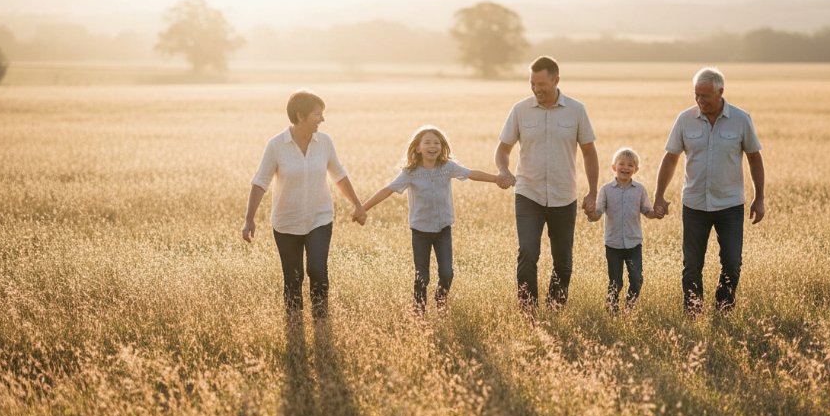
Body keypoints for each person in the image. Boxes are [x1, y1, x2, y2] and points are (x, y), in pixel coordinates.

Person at [241, 89, 367, 319]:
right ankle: (294, 323)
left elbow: (338, 175)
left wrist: (358, 205)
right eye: (317, 114)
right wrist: (249, 219)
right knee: (293, 277)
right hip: (286, 222)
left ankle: (321, 320)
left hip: (320, 218)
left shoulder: (325, 142)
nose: (322, 119)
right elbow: (260, 182)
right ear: (300, 116)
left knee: (317, 270)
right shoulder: (276, 145)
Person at [361, 125, 508, 313]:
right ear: (418, 148)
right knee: (422, 276)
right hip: (420, 231)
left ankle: (440, 298)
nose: (433, 146)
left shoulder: (447, 167)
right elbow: (387, 190)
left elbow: (472, 174)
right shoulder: (410, 173)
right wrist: (363, 208)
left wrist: (497, 179)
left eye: (437, 142)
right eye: (428, 142)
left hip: (443, 229)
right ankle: (419, 313)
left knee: (447, 273)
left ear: (442, 147)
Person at [654, 67, 765, 316]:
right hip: (694, 205)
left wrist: (760, 197)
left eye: (705, 95)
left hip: (730, 206)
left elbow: (754, 159)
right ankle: (692, 313)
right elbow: (670, 158)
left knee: (732, 264)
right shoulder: (684, 119)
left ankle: (722, 311)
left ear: (720, 92)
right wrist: (659, 194)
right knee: (691, 266)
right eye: (696, 95)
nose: (700, 101)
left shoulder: (741, 119)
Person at [495, 56, 599, 310]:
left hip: (565, 196)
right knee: (528, 253)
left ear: (556, 80)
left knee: (563, 261)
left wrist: (593, 191)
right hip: (528, 194)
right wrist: (504, 169)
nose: (537, 89)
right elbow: (503, 149)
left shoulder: (576, 110)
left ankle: (555, 310)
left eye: (542, 83)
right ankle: (528, 313)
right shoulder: (520, 110)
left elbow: (589, 152)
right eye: (532, 83)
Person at [586, 147, 658, 312]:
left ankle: (629, 309)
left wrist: (657, 212)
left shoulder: (639, 190)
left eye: (630, 165)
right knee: (615, 282)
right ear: (614, 167)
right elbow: (598, 213)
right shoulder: (606, 190)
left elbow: (647, 211)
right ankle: (612, 311)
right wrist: (590, 212)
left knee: (637, 279)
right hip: (613, 245)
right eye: (622, 164)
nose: (625, 167)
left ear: (636, 169)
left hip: (634, 244)